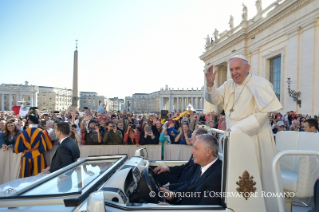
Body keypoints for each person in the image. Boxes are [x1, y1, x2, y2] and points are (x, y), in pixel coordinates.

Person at [205, 54, 283, 211]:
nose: (234, 73)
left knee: (257, 178)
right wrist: (210, 83)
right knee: (235, 177)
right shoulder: (228, 85)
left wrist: (235, 130)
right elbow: (213, 99)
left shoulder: (260, 83)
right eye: (231, 69)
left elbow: (261, 117)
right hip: (233, 138)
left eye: (238, 68)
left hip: (255, 138)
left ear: (247, 68)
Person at [159, 134, 222, 205]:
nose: (192, 152)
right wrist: (174, 194)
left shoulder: (216, 176)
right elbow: (190, 185)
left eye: (196, 148)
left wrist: (172, 209)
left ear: (208, 152)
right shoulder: (204, 166)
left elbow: (204, 209)